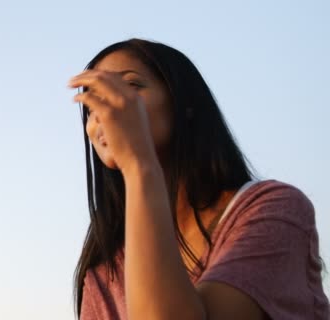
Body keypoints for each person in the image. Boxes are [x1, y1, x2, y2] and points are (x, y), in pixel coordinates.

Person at [68, 38, 329, 320]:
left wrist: (140, 165)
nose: (109, 111)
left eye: (131, 87)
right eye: (93, 104)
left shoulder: (274, 210)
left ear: (186, 104)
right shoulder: (104, 277)